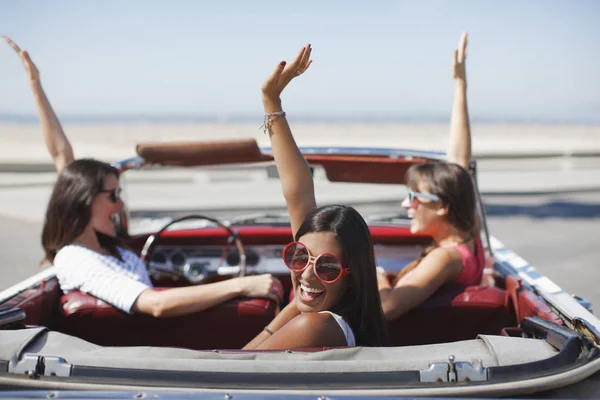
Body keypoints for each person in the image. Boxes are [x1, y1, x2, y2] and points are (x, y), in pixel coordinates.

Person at [4, 36, 284, 318]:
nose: (120, 205)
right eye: (113, 195)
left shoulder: (103, 248)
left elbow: (61, 153)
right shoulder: (76, 259)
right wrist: (240, 285)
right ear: (83, 201)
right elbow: (156, 304)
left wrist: (36, 86)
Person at [243, 45, 388, 350]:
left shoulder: (316, 325)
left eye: (328, 267)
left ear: (352, 277)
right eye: (298, 256)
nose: (307, 273)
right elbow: (298, 194)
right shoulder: (337, 316)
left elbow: (232, 370)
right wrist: (271, 101)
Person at [376, 32, 485, 321]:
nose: (405, 204)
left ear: (442, 205)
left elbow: (387, 308)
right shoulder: (469, 236)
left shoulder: (445, 258)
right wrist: (460, 84)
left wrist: (374, 275)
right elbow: (459, 162)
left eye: (414, 197)